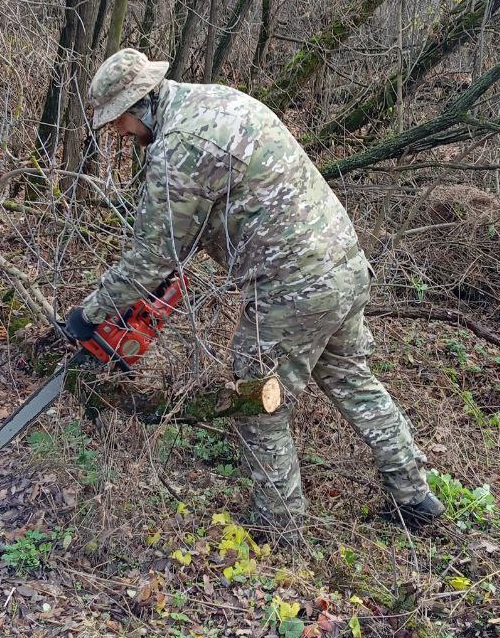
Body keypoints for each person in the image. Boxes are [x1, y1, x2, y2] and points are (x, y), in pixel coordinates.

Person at [63, 48, 445, 542]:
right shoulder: (217, 101)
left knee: (256, 400)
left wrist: (89, 314)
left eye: (116, 123)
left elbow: (149, 258)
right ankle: (414, 494)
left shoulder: (178, 146)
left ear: (136, 106)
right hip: (343, 262)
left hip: (294, 285)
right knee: (350, 376)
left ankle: (280, 526)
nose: (118, 134)